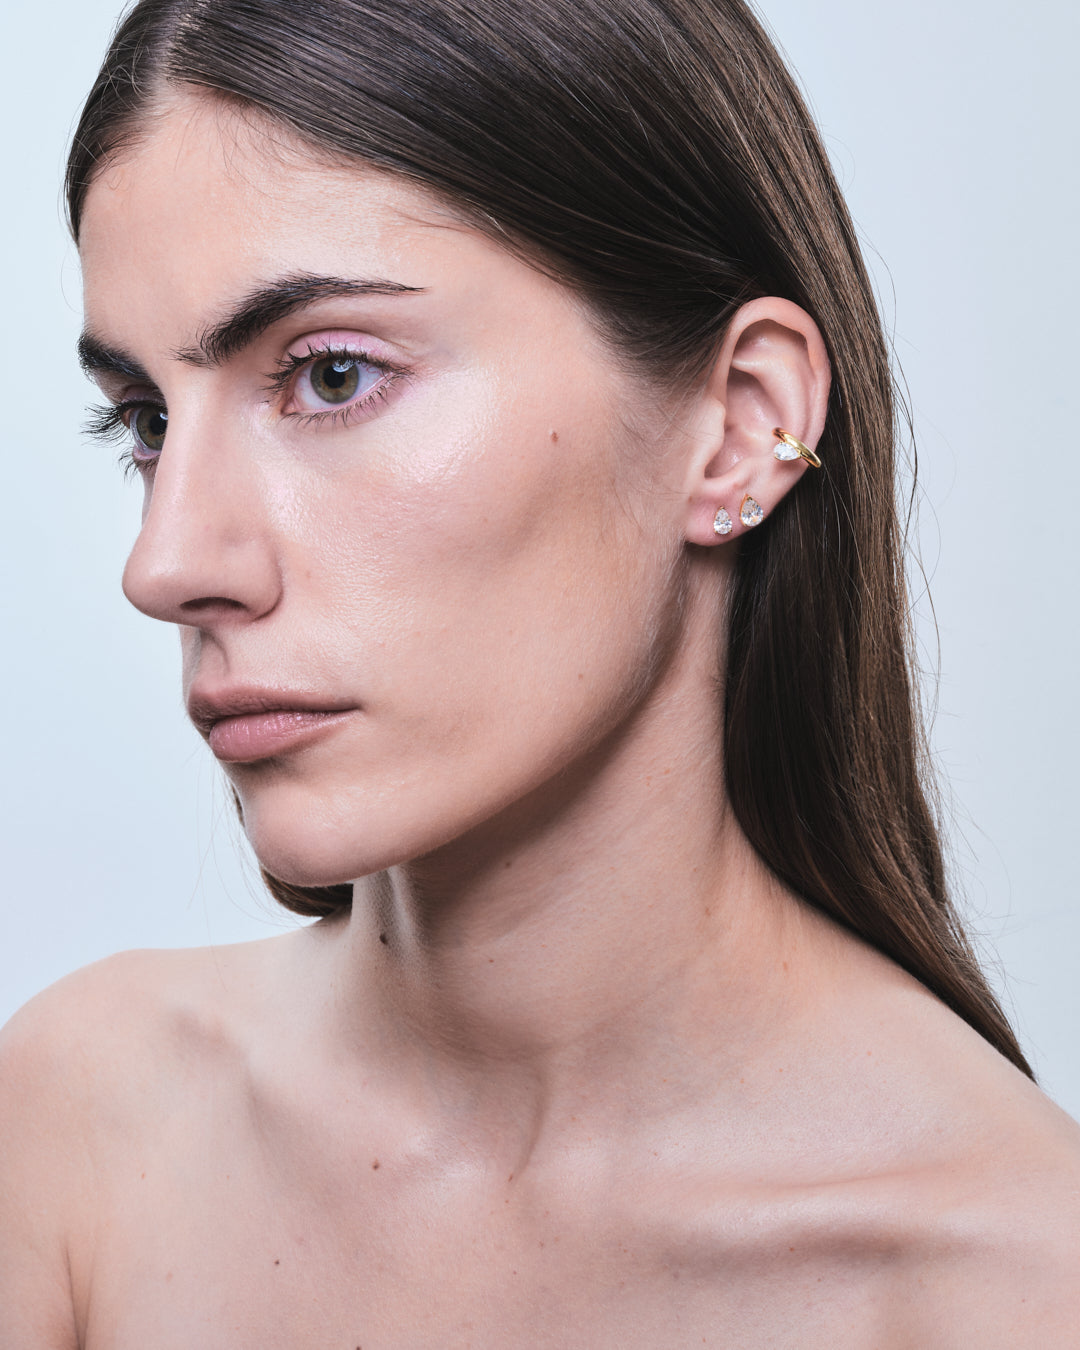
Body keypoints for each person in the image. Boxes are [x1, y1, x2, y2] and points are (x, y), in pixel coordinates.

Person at [2, 0, 1078, 1344]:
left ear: (742, 428)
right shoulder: (75, 1133)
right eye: (147, 420)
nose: (166, 563)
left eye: (331, 376)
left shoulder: (1014, 1287)